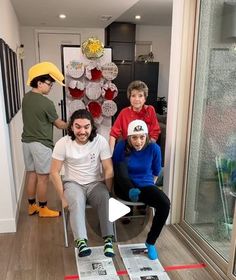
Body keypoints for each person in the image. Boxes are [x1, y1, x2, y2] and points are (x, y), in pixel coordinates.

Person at [50, 109, 115, 258]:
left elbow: (108, 168)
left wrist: (108, 190)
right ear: (72, 127)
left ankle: (108, 241)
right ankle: (81, 241)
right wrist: (62, 198)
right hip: (73, 183)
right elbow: (54, 171)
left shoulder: (100, 141)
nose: (82, 131)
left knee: (105, 198)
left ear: (92, 127)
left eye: (86, 127)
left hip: (95, 183)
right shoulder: (63, 143)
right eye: (78, 126)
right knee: (76, 201)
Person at [112, 119, 170, 260]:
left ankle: (150, 242)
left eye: (142, 137)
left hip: (144, 187)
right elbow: (117, 171)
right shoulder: (121, 146)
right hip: (124, 186)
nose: (138, 141)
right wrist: (129, 188)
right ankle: (132, 192)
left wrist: (149, 191)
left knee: (164, 203)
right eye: (134, 138)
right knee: (121, 167)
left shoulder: (154, 148)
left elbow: (156, 173)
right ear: (129, 137)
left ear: (147, 136)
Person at [21, 61, 68, 217]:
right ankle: (43, 209)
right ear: (39, 83)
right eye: (49, 84)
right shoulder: (46, 103)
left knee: (32, 174)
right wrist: (72, 125)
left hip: (26, 143)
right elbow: (59, 124)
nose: (50, 87)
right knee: (43, 178)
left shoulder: (26, 98)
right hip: (40, 144)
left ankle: (31, 206)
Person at [109, 80, 161, 154]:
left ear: (145, 98)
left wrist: (146, 148)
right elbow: (113, 134)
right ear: (129, 97)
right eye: (133, 95)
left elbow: (155, 132)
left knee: (156, 148)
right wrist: (110, 154)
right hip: (128, 149)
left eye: (140, 95)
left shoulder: (150, 110)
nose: (137, 99)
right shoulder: (124, 112)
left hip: (146, 147)